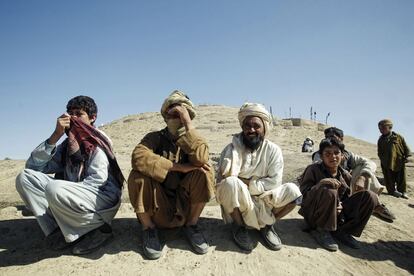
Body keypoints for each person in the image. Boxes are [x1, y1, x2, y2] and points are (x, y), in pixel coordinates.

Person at [15, 95, 124, 255]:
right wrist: (55, 136)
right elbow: (33, 167)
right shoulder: (68, 145)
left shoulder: (95, 142)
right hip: (75, 198)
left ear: (92, 118)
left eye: (78, 114)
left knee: (55, 188)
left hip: (101, 201)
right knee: (25, 178)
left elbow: (97, 182)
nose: (72, 118)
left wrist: (62, 197)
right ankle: (58, 231)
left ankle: (98, 230)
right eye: (70, 113)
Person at [127, 90, 215, 260]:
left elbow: (201, 158)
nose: (176, 115)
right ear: (165, 116)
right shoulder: (155, 137)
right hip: (158, 206)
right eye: (172, 112)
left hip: (185, 207)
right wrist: (178, 167)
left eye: (181, 112)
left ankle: (191, 225)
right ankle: (148, 229)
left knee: (204, 171)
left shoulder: (194, 136)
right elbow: (138, 157)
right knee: (137, 175)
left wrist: (188, 124)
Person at [216, 103, 302, 252]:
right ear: (242, 127)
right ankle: (239, 226)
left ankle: (268, 225)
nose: (251, 130)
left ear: (264, 128)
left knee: (293, 191)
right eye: (247, 126)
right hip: (239, 201)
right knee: (229, 184)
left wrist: (244, 182)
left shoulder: (273, 150)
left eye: (256, 126)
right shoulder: (231, 149)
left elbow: (274, 183)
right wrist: (244, 184)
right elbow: (223, 180)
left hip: (265, 199)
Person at [299, 137, 379, 251]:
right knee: (329, 189)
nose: (333, 157)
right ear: (321, 156)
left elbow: (347, 198)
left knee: (370, 196)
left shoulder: (345, 175)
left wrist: (340, 205)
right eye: (328, 153)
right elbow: (304, 196)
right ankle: (321, 230)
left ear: (342, 156)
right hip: (314, 215)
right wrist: (320, 185)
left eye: (337, 153)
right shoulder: (313, 169)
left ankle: (343, 231)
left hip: (336, 216)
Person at [312, 127, 394, 222]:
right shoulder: (320, 155)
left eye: (332, 137)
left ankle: (372, 204)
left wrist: (362, 177)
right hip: (328, 190)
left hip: (346, 189)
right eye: (327, 137)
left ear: (341, 139)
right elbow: (319, 169)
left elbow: (371, 164)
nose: (329, 140)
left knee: (364, 170)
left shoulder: (347, 155)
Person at [378, 119, 411, 199]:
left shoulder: (398, 137)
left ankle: (403, 192)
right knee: (389, 177)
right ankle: (392, 191)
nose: (381, 130)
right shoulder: (380, 140)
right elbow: (379, 151)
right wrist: (383, 159)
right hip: (386, 162)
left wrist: (407, 156)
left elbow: (405, 147)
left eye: (383, 128)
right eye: (380, 129)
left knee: (401, 177)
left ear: (389, 127)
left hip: (399, 161)